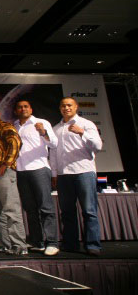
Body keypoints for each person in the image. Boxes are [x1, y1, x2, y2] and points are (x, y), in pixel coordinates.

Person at [50, 97, 103, 256]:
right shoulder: (56, 129)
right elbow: (53, 153)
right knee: (67, 212)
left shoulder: (86, 124)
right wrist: (54, 173)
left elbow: (98, 146)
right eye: (63, 105)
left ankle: (93, 245)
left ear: (76, 107)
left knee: (89, 210)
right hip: (64, 174)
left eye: (69, 105)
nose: (66, 108)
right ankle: (70, 244)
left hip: (84, 172)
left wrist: (82, 133)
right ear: (60, 108)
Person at [14, 99, 59, 256]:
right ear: (16, 111)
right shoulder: (14, 126)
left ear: (31, 108)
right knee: (30, 209)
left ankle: (52, 242)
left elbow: (54, 144)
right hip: (20, 171)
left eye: (26, 106)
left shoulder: (41, 122)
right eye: (20, 107)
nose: (23, 109)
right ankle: (37, 241)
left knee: (46, 207)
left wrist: (44, 133)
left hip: (39, 169)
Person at [0, 102, 27, 255]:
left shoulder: (5, 127)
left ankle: (19, 245)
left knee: (10, 208)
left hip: (3, 172)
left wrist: (7, 163)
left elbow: (15, 142)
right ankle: (4, 243)